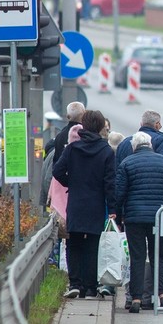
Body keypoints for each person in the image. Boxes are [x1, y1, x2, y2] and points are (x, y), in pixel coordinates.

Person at [53, 110, 116, 299]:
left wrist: (70, 182)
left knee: (74, 242)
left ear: (84, 125)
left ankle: (75, 283)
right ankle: (90, 287)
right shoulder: (106, 151)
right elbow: (110, 183)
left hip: (76, 202)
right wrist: (112, 208)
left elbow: (57, 171)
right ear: (100, 127)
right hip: (96, 203)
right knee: (93, 244)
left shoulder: (73, 148)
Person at [116, 131, 163, 313]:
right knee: (158, 256)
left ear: (134, 146)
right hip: (158, 217)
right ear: (150, 145)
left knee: (137, 257)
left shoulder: (126, 163)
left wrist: (120, 214)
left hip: (134, 218)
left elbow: (119, 193)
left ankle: (136, 299)